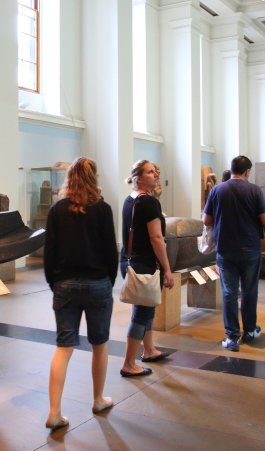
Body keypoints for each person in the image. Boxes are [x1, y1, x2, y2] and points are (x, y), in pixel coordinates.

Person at [43, 158, 118, 429]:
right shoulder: (103, 209)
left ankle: (54, 412)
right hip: (97, 284)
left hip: (65, 285)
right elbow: (111, 251)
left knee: (64, 347)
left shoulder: (57, 209)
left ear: (69, 177)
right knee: (99, 344)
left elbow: (49, 252)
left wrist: (54, 283)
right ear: (93, 177)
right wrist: (108, 281)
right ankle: (98, 399)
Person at [203, 156, 265, 351]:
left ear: (231, 169)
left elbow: (207, 220)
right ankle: (249, 330)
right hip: (250, 248)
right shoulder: (254, 190)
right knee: (249, 290)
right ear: (247, 171)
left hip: (225, 248)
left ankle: (232, 337)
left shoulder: (217, 190)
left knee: (229, 292)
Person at [120, 160, 174, 376]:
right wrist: (167, 268)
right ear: (139, 178)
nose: (156, 175)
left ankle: (149, 350)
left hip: (129, 261)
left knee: (147, 307)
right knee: (142, 313)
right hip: (144, 264)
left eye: (155, 171)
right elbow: (156, 237)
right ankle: (128, 363)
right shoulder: (149, 202)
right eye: (151, 172)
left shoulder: (130, 199)